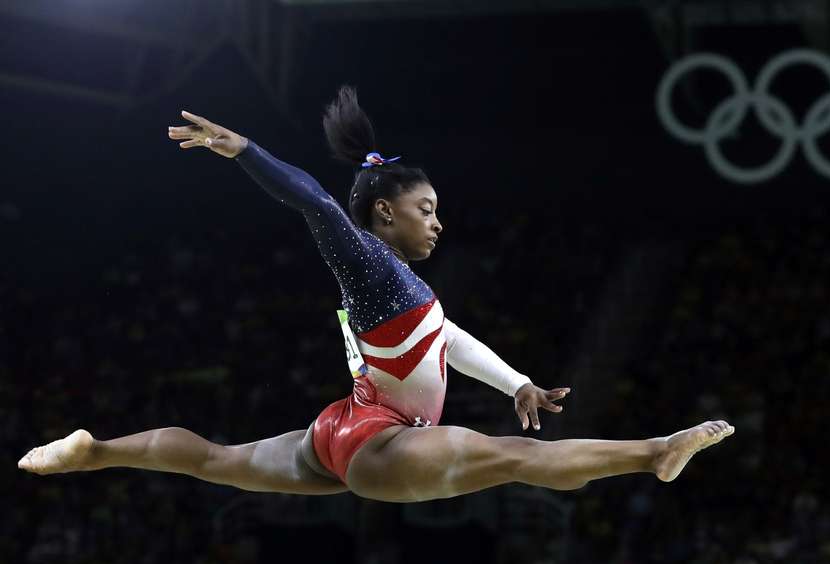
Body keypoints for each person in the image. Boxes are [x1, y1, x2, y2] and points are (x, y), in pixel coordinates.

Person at [18, 87, 734, 502]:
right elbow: (318, 207)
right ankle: (654, 452)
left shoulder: (398, 286)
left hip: (345, 429)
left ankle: (96, 451)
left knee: (216, 460)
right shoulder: (368, 261)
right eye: (426, 209)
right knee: (517, 460)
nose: (438, 221)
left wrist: (516, 381)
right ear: (386, 213)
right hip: (378, 441)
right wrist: (246, 152)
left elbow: (444, 339)